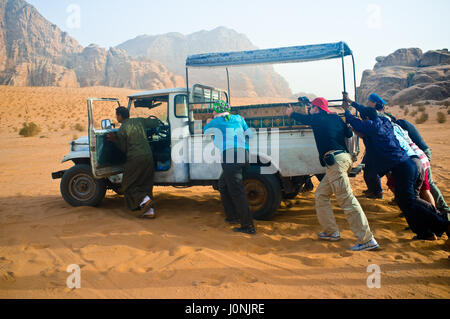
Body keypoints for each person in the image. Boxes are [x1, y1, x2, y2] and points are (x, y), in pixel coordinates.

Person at [342, 93, 450, 241]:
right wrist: (352, 103)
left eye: (363, 118)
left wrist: (346, 110)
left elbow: (354, 122)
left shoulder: (372, 126)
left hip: (404, 167)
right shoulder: (384, 122)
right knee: (406, 202)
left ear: (366, 119)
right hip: (413, 164)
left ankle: (443, 223)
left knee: (410, 201)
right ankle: (426, 232)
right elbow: (367, 114)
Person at [286, 98, 379, 251]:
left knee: (347, 200)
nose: (310, 109)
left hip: (335, 162)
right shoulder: (335, 118)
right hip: (343, 160)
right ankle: (331, 232)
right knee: (321, 195)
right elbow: (349, 133)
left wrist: (291, 113)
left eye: (311, 107)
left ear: (316, 108)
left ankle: (367, 239)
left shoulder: (316, 118)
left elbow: (303, 118)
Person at [204, 100, 256, 235]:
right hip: (244, 155)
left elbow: (205, 131)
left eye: (213, 110)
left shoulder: (216, 121)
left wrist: (209, 121)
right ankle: (232, 216)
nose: (212, 112)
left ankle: (248, 225)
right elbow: (250, 134)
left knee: (237, 192)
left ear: (216, 111)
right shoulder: (238, 118)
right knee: (223, 184)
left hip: (231, 157)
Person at [107, 106, 160, 219]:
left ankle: (145, 200)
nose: (117, 117)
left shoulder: (122, 129)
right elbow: (155, 123)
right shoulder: (139, 120)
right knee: (146, 183)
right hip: (148, 156)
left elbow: (124, 148)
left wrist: (114, 140)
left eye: (117, 115)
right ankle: (149, 211)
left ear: (120, 116)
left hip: (135, 158)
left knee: (127, 184)